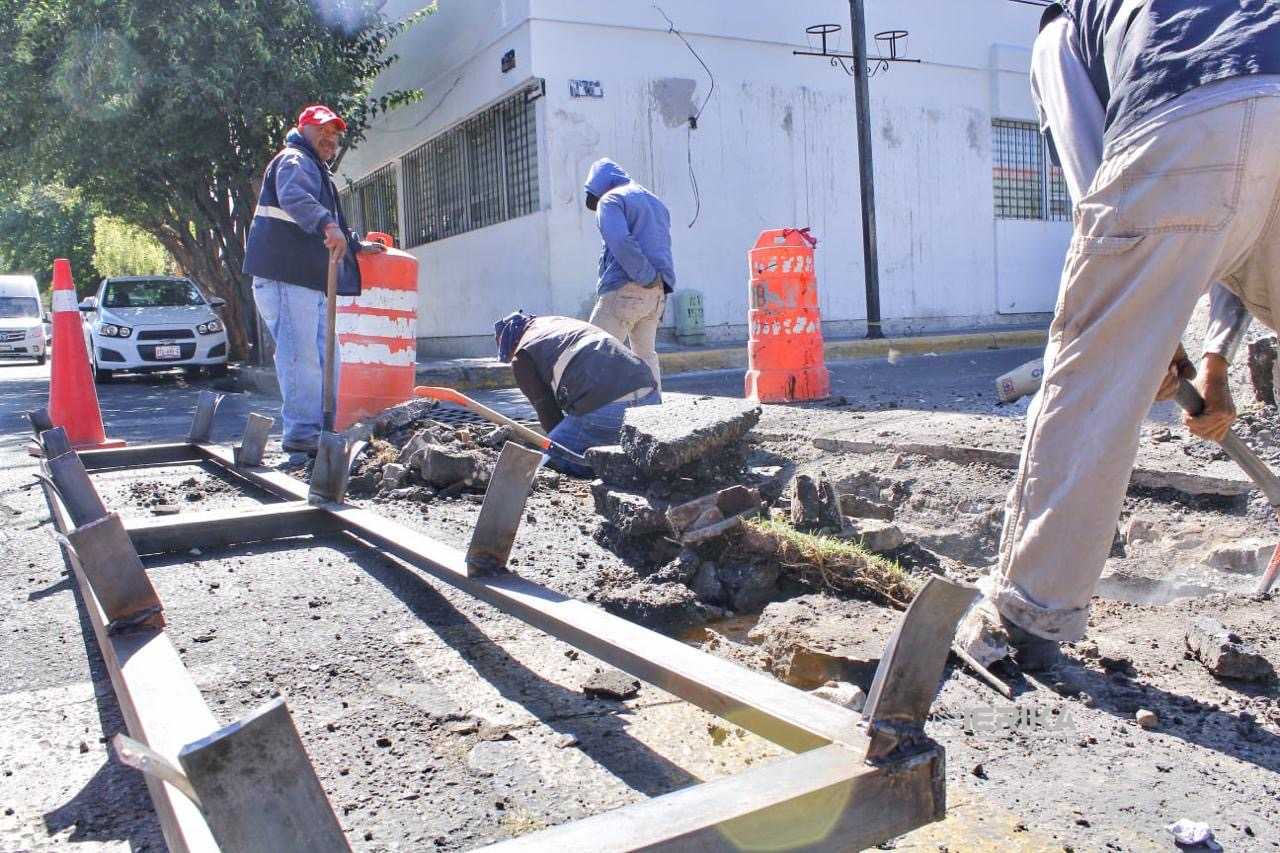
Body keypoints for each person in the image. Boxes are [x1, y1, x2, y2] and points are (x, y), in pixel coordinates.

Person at [960, 0, 1280, 670]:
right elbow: (1245, 205)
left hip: (1180, 115)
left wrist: (1144, 332)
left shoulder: (1060, 29)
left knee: (1092, 373)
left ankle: (1026, 616)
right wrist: (1215, 357)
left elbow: (1099, 195)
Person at [243, 104, 385, 454]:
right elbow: (294, 197)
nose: (330, 137)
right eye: (322, 129)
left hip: (307, 281)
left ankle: (320, 431)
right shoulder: (295, 160)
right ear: (303, 129)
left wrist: (354, 244)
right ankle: (302, 433)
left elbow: (322, 219)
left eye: (335, 133)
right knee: (302, 357)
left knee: (326, 357)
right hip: (286, 278)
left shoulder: (314, 168)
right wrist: (328, 225)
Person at [494, 310, 660, 476]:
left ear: (510, 343)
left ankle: (608, 469)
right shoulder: (558, 323)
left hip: (608, 411)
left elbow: (547, 411)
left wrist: (557, 443)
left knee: (547, 458)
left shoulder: (522, 357)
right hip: (650, 398)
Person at [583, 158, 675, 389]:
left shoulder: (610, 199)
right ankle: (651, 406)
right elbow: (661, 247)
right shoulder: (655, 202)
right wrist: (657, 284)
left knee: (593, 354)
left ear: (601, 186)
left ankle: (594, 411)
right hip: (657, 294)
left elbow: (621, 241)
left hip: (627, 288)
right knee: (645, 357)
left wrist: (645, 276)